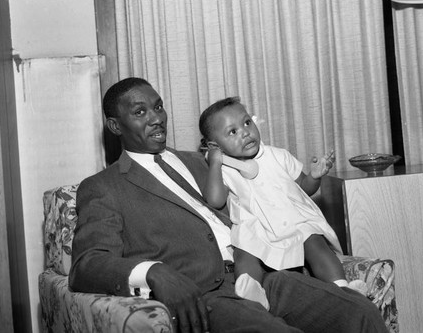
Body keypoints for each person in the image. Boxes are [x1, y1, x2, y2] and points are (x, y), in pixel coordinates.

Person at [69, 77, 388, 333]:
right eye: (140, 112)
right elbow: (87, 264)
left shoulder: (205, 159)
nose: (156, 118)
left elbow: (269, 186)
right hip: (207, 296)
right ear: (115, 126)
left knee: (360, 314)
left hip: (267, 276)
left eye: (158, 107)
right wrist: (154, 272)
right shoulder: (104, 187)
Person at [199, 96, 366, 309]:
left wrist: (314, 176)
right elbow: (214, 200)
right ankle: (252, 291)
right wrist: (215, 163)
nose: (245, 132)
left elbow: (304, 188)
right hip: (258, 226)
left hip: (293, 219)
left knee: (314, 240)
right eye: (232, 132)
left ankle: (343, 287)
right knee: (245, 248)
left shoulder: (278, 156)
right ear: (215, 146)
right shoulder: (225, 170)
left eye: (247, 122)